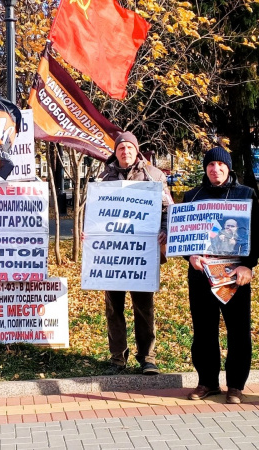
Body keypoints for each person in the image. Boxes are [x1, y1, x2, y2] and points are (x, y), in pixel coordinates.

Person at [183, 146, 259, 404]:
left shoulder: (245, 194)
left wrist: (248, 265)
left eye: (220, 165)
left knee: (238, 331)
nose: (215, 169)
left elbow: (258, 234)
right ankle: (207, 382)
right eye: (210, 165)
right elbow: (185, 235)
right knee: (204, 331)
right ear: (205, 169)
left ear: (229, 168)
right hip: (201, 275)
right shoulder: (192, 196)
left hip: (234, 275)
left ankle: (235, 386)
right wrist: (190, 256)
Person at [96, 131, 171, 376]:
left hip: (143, 254)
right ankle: (117, 357)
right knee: (113, 307)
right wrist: (89, 235)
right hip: (112, 255)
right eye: (121, 148)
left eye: (129, 147)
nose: (125, 152)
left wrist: (164, 232)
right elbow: (94, 213)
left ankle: (147, 358)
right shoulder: (103, 177)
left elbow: (168, 209)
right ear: (115, 152)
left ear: (136, 150)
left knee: (143, 306)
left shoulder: (154, 175)